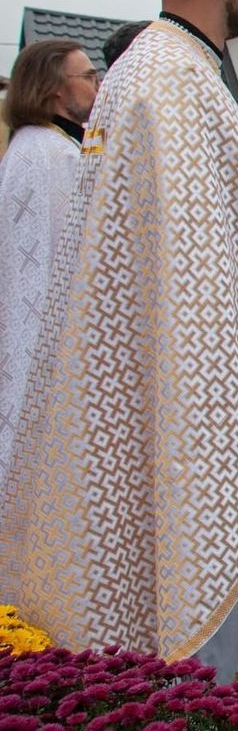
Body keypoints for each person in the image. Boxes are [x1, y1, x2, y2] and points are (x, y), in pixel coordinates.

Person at [0, 0, 238, 700]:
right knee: (195, 541)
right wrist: (235, 369)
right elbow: (196, 266)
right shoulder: (178, 82)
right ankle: (217, 719)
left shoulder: (143, 74)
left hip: (144, 363)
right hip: (193, 384)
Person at [0, 39, 99, 490]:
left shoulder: (27, 149)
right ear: (55, 89)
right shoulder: (56, 158)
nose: (97, 88)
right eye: (88, 77)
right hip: (50, 353)